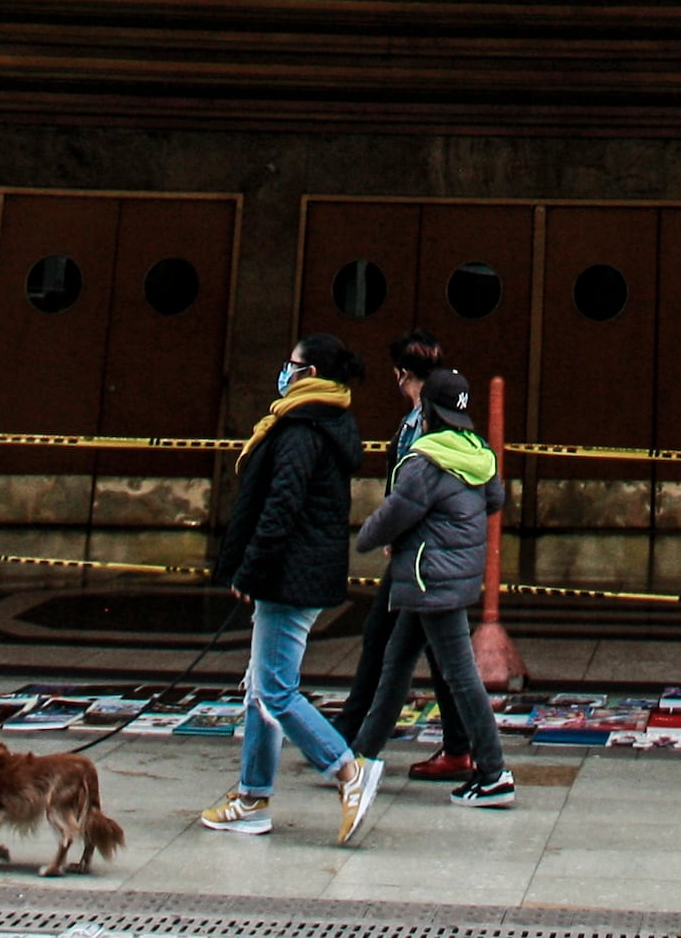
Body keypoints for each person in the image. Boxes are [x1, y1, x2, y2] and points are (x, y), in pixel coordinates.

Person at [201, 333, 382, 843]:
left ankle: (347, 770)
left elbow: (280, 505)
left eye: (293, 363)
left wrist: (250, 570)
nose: (285, 369)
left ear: (310, 372)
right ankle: (252, 796)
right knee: (261, 689)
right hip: (294, 572)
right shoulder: (320, 421)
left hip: (287, 575)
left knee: (276, 690)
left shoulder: (303, 429)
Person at [351, 364, 516, 807]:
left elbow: (392, 516)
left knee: (460, 676)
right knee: (395, 667)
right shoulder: (478, 452)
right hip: (451, 579)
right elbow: (495, 499)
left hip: (429, 581)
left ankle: (495, 772)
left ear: (429, 410)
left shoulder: (426, 460)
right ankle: (358, 761)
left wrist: (363, 538)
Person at [336, 336, 470, 777]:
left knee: (386, 647)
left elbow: (418, 490)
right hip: (423, 554)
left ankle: (349, 742)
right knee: (425, 653)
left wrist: (385, 531)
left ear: (401, 374)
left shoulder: (426, 425)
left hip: (420, 557)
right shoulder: (426, 418)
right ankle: (459, 747)